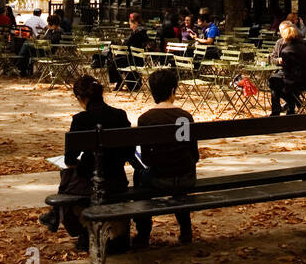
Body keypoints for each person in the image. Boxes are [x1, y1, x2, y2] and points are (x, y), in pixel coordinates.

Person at [39, 74, 133, 253]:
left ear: (81, 98)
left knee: (66, 173)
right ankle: (55, 212)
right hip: (117, 180)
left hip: (91, 183)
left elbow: (69, 160)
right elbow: (128, 153)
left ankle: (63, 219)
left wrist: (84, 162)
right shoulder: (120, 115)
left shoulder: (80, 120)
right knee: (69, 173)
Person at [131, 69, 199, 248]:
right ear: (172, 91)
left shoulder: (146, 119)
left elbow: (145, 157)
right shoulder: (185, 117)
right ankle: (185, 229)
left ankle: (143, 232)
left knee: (139, 177)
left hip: (159, 178)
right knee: (179, 174)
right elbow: (194, 154)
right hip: (186, 177)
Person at [268, 21, 306, 116]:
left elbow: (288, 69)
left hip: (295, 78)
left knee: (273, 82)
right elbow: (273, 58)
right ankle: (290, 108)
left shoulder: (289, 49)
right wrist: (277, 60)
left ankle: (279, 110)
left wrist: (282, 63)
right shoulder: (303, 44)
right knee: (275, 82)